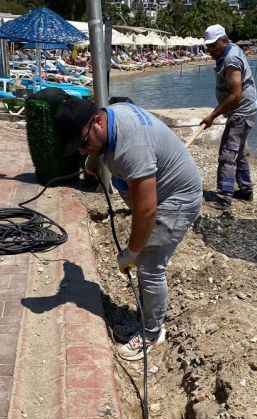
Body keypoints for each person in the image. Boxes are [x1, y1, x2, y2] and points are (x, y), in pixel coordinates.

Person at [55, 97, 203, 361]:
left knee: (149, 265)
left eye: (83, 144)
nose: (83, 150)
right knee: (144, 255)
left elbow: (147, 210)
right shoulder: (110, 118)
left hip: (176, 199)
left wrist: (132, 252)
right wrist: (92, 158)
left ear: (97, 122)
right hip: (158, 192)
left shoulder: (132, 146)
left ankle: (152, 333)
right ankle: (146, 315)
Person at [199, 24, 257, 210]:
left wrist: (212, 116)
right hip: (242, 110)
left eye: (213, 46)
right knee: (238, 151)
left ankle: (224, 197)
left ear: (224, 40)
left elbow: (235, 95)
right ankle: (246, 190)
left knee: (228, 153)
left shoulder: (231, 59)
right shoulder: (228, 52)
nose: (210, 50)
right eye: (208, 46)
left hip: (241, 111)